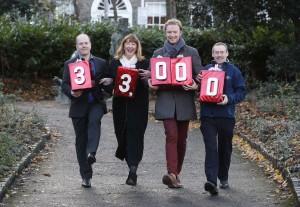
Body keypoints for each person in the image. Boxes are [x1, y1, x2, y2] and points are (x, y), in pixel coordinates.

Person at [148, 19, 202, 188]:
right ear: (165, 33)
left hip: (184, 100)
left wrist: (196, 85)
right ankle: (172, 173)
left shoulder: (191, 52)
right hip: (165, 101)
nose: (172, 35)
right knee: (171, 135)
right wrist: (150, 84)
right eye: (169, 32)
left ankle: (176, 173)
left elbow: (200, 76)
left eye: (174, 32)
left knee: (182, 139)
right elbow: (152, 78)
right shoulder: (158, 53)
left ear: (180, 32)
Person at [62, 33, 113, 188]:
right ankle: (86, 176)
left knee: (94, 121)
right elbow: (64, 84)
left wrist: (109, 82)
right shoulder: (69, 64)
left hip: (96, 103)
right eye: (80, 44)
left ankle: (92, 152)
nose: (83, 46)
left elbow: (109, 86)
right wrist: (71, 92)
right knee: (80, 141)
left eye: (86, 43)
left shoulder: (101, 63)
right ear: (77, 46)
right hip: (78, 106)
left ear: (90, 45)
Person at [199, 42, 246, 195]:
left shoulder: (234, 71)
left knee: (225, 148)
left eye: (221, 52)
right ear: (212, 54)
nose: (219, 55)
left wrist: (229, 98)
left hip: (226, 116)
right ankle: (211, 182)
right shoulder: (205, 70)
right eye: (216, 52)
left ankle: (223, 176)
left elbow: (241, 92)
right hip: (208, 116)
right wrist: (197, 82)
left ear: (227, 54)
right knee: (211, 148)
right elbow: (196, 87)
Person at [108, 34, 149, 186]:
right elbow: (108, 82)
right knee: (122, 134)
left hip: (138, 105)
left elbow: (149, 83)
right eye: (128, 43)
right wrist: (109, 83)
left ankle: (133, 169)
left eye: (133, 44)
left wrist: (148, 78)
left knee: (136, 134)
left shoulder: (144, 63)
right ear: (123, 45)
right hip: (120, 105)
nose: (130, 46)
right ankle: (130, 163)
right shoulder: (114, 62)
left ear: (137, 47)